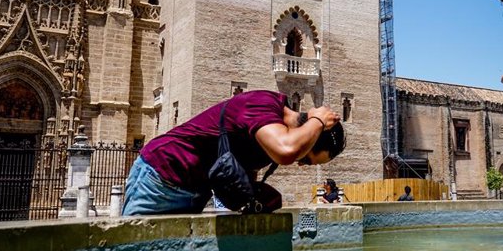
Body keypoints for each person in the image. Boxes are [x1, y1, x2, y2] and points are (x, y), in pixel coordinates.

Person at [122, 90, 345, 215]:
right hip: (162, 176)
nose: (301, 164)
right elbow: (287, 150)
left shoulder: (266, 142)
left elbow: (229, 189)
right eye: (306, 158)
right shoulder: (263, 104)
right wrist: (318, 119)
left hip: (193, 191)